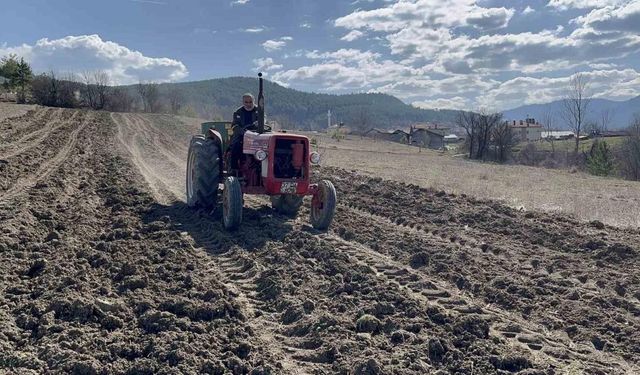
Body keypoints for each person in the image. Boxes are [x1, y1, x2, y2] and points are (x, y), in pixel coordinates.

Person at [228, 93, 258, 170]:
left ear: (253, 101)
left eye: (250, 102)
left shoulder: (259, 110)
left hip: (256, 134)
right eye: (246, 102)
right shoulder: (238, 112)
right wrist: (243, 132)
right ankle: (234, 169)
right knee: (236, 145)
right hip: (242, 134)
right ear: (243, 102)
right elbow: (235, 125)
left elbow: (263, 120)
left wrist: (259, 124)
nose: (248, 104)